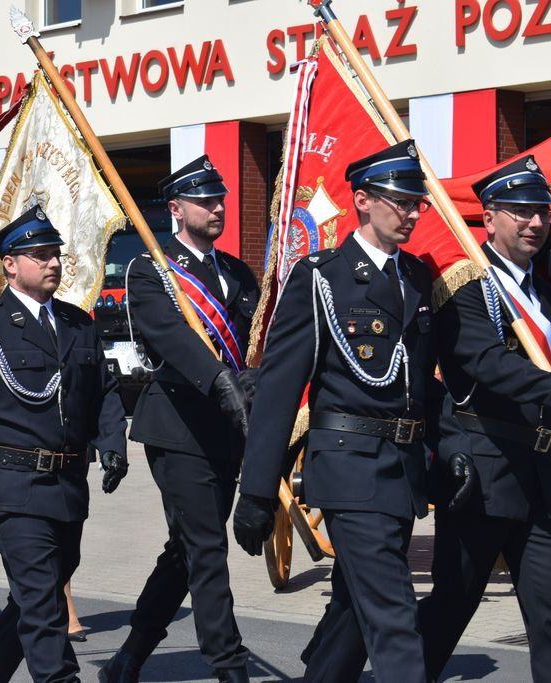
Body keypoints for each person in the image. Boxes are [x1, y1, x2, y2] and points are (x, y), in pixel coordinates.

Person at [232, 140, 473, 683]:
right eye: (401, 201)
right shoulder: (322, 276)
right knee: (394, 620)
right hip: (348, 469)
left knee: (352, 616)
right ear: (362, 200)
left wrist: (453, 445)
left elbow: (422, 384)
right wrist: (256, 490)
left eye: (419, 203)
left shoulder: (414, 277)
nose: (413, 212)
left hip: (402, 473)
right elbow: (278, 389)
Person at [0, 207, 129, 683]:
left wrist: (113, 441)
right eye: (40, 255)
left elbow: (103, 392)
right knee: (42, 602)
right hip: (13, 488)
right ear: (11, 265)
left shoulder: (78, 323)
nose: (53, 263)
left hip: (67, 486)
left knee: (32, 596)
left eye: (55, 254)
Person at [100, 156, 259, 683]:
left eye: (221, 200)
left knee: (187, 549)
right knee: (208, 547)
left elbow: (256, 341)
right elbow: (169, 336)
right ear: (175, 208)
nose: (218, 208)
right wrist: (219, 381)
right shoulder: (151, 268)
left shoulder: (237, 271)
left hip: (228, 431)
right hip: (177, 427)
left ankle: (130, 656)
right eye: (205, 201)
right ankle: (229, 665)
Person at [418, 155, 551, 681]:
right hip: (488, 473)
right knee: (454, 603)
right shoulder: (471, 284)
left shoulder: (543, 287)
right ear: (489, 218)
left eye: (541, 210)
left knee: (547, 613)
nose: (535, 222)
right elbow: (484, 361)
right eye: (520, 211)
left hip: (541, 479)